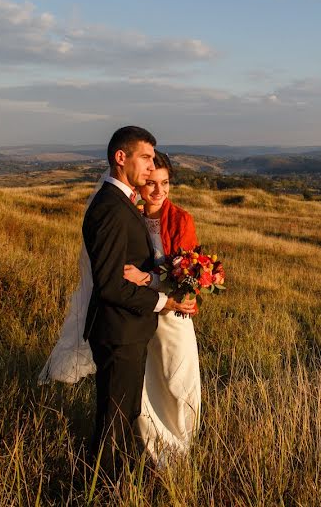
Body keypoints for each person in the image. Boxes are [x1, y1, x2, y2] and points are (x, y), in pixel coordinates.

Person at [78, 126, 196, 477]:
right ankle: (99, 485)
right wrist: (164, 302)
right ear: (120, 158)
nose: (150, 168)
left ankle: (119, 474)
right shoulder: (113, 208)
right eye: (145, 158)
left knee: (125, 412)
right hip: (119, 329)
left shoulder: (120, 203)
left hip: (130, 327)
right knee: (114, 417)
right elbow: (111, 287)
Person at [121, 151, 201, 466]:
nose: (159, 191)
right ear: (139, 182)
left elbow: (187, 274)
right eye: (151, 183)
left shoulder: (181, 219)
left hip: (174, 312)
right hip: (139, 312)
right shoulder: (130, 217)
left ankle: (183, 449)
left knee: (179, 379)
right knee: (146, 382)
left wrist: (147, 278)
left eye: (165, 183)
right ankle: (153, 454)